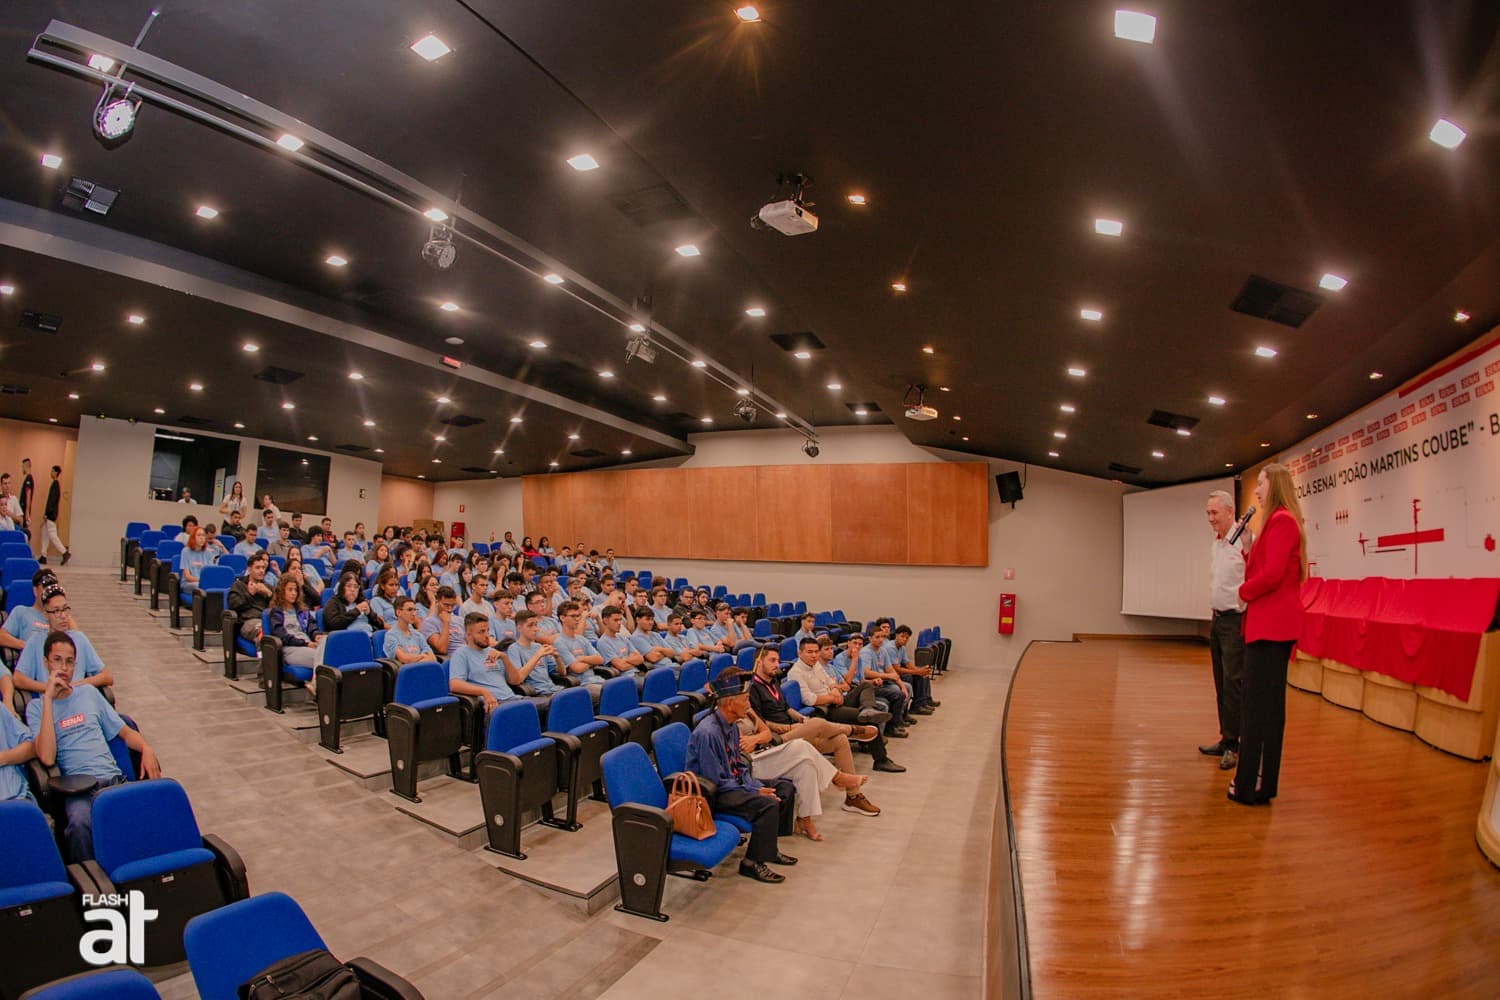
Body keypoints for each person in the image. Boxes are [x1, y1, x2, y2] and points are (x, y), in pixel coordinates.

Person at [29, 631, 161, 861]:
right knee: (79, 824)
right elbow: (47, 757)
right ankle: (90, 879)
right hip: (79, 789)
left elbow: (125, 732)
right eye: (57, 660)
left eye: (69, 661)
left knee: (148, 811)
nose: (64, 668)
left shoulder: (89, 694)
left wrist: (146, 748)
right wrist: (48, 699)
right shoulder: (36, 708)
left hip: (112, 780)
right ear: (45, 662)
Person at [1229, 464, 1306, 807]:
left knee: (1260, 709)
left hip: (1272, 629)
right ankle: (1255, 782)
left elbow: (1272, 575)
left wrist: (1243, 592)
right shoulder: (1273, 522)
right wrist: (1248, 545)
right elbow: (1262, 569)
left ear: (1274, 484)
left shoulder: (1282, 521)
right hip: (1265, 627)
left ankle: (1251, 784)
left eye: (1260, 484)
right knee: (1261, 706)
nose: (1256, 491)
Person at [745, 647, 883, 827]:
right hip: (776, 739)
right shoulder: (752, 688)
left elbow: (787, 709)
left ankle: (853, 796)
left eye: (778, 660)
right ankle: (853, 730)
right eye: (772, 660)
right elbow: (760, 724)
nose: (777, 665)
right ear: (758, 661)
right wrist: (789, 727)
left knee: (839, 740)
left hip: (794, 731)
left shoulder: (773, 681)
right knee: (818, 723)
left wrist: (802, 720)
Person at [686, 668, 798, 883]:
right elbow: (716, 781)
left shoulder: (730, 726)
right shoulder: (707, 733)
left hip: (733, 784)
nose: (748, 705)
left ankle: (769, 847)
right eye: (745, 700)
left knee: (785, 788)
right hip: (712, 795)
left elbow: (738, 764)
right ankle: (752, 862)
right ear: (730, 703)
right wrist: (754, 790)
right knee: (768, 803)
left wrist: (753, 785)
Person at [788, 637, 903, 772]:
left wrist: (835, 690)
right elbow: (809, 699)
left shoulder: (815, 665)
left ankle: (868, 708)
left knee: (866, 686)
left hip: (836, 699)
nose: (814, 655)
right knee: (870, 719)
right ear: (799, 653)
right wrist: (832, 698)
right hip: (825, 710)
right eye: (809, 652)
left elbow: (831, 682)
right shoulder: (796, 672)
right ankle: (881, 760)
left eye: (816, 652)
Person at [1202, 489, 1250, 772]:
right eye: (1208, 513)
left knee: (1233, 684)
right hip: (1217, 620)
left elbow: (1254, 573)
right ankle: (1226, 737)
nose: (1210, 518)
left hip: (1234, 622)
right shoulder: (1217, 544)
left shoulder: (1243, 541)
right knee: (1221, 682)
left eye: (1215, 512)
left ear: (1230, 512)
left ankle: (1234, 745)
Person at [14, 585, 115, 695]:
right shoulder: (35, 641)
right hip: (50, 700)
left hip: (78, 697)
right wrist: (50, 687)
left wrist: (78, 685)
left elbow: (107, 676)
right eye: (56, 611)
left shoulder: (79, 638)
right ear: (45, 615)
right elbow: (18, 679)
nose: (63, 616)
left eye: (65, 609)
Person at [268, 574, 323, 690]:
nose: (294, 593)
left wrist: (316, 635)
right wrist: (305, 643)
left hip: (308, 645)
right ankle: (316, 685)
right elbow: (281, 636)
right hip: (291, 649)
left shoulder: (302, 610)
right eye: (290, 590)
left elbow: (311, 625)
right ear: (282, 591)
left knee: (327, 646)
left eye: (295, 590)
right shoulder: (276, 612)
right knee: (322, 657)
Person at [227, 551, 275, 644]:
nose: (261, 571)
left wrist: (269, 594)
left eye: (263, 567)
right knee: (264, 632)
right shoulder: (239, 585)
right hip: (248, 621)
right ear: (249, 569)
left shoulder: (268, 587)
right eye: (257, 567)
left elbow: (280, 607)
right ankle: (262, 653)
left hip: (267, 619)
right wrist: (250, 594)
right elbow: (233, 605)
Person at [383, 597, 437, 665]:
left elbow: (433, 658)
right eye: (409, 610)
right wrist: (423, 656)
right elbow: (404, 659)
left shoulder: (418, 635)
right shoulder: (391, 635)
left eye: (415, 610)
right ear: (398, 612)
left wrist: (416, 660)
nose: (414, 614)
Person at [36, 465, 71, 565]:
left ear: (55, 472)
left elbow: (52, 501)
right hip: (50, 514)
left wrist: (47, 514)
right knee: (45, 534)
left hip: (50, 515)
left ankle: (64, 552)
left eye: (52, 471)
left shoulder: (55, 485)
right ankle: (43, 555)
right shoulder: (55, 484)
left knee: (52, 535)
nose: (50, 473)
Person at [179, 525, 215, 594]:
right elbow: (187, 576)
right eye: (199, 535)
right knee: (199, 586)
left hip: (204, 583)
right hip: (189, 583)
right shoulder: (185, 551)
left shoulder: (208, 553)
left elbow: (210, 573)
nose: (202, 538)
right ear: (193, 537)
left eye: (203, 535)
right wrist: (201, 581)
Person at [18, 458, 35, 538]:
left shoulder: (29, 478)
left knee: (24, 530)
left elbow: (28, 494)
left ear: (25, 466)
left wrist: (27, 511)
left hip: (24, 509)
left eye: (22, 466)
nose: (22, 469)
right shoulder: (27, 478)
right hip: (23, 508)